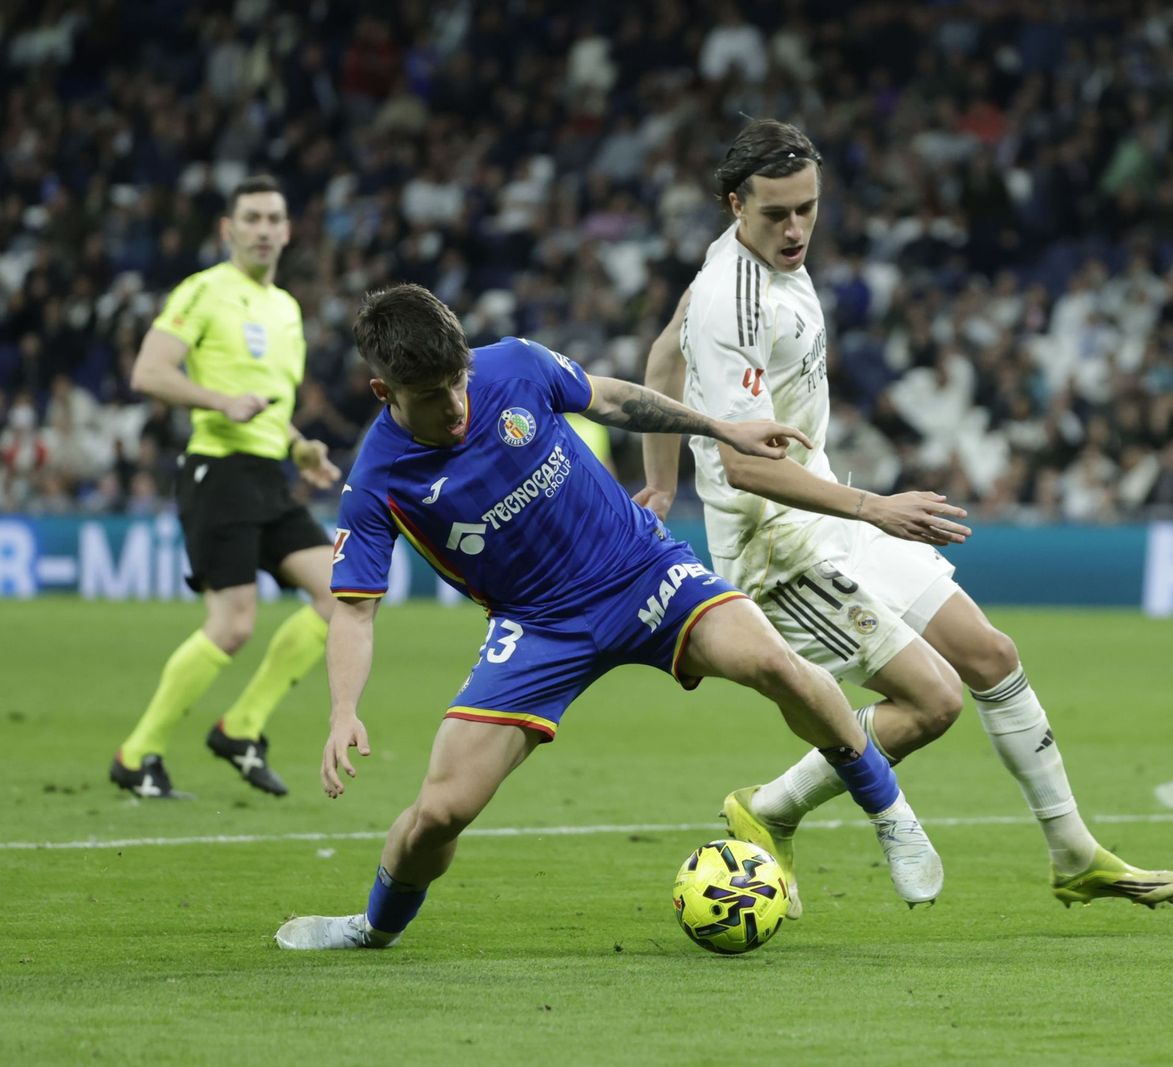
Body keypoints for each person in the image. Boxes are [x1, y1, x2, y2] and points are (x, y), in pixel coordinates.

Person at [274, 284, 941, 951]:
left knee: (774, 663)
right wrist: (342, 709)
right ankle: (373, 926)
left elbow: (615, 398)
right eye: (430, 396)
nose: (454, 406)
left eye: (457, 383)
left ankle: (890, 811)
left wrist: (721, 428)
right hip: (539, 628)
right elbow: (355, 612)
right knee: (441, 812)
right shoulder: (379, 479)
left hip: (641, 569)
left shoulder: (511, 365)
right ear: (382, 390)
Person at [638, 119, 1173, 917]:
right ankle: (772, 808)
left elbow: (663, 355)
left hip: (829, 515)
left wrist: (657, 487)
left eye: (808, 209)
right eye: (776, 215)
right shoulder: (733, 297)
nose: (796, 230)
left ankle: (1074, 854)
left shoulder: (745, 266)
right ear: (735, 204)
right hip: (776, 552)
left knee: (992, 655)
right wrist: (874, 505)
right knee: (933, 703)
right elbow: (745, 462)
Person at [110, 175, 342, 800]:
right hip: (218, 470)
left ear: (289, 231)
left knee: (343, 595)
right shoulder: (204, 291)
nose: (264, 229)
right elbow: (148, 371)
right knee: (234, 624)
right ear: (229, 229)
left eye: (274, 218)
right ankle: (138, 754)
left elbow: (263, 403)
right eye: (252, 218)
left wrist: (299, 445)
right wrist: (217, 400)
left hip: (268, 473)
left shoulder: (287, 310)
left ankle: (241, 727)